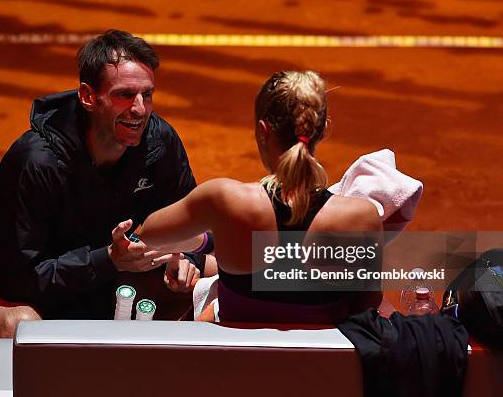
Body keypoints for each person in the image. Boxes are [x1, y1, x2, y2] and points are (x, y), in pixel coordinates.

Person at [0, 30, 204, 339]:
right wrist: (109, 259)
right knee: (20, 329)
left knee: (200, 280)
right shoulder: (35, 161)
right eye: (124, 95)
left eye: (147, 94)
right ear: (89, 96)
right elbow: (18, 278)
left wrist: (185, 260)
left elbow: (189, 222)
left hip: (93, 269)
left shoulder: (160, 142)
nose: (140, 109)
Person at [133, 70, 382, 323]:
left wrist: (212, 240)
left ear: (263, 130)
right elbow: (366, 305)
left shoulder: (225, 200)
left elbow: (149, 234)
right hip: (319, 361)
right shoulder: (360, 217)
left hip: (237, 360)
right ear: (323, 129)